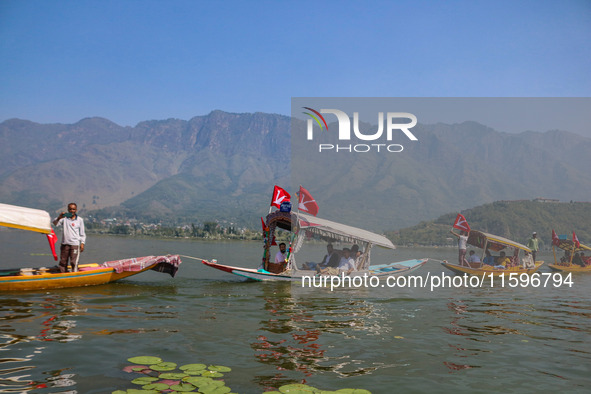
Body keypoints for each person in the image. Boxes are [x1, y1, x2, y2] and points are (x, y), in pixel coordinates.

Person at [52, 203, 86, 273]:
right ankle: (63, 276)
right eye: (70, 209)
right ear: (68, 209)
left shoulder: (80, 220)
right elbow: (55, 223)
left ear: (76, 210)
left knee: (74, 262)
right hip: (65, 244)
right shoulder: (64, 219)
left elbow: (82, 233)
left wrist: (82, 243)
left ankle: (75, 276)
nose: (72, 211)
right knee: (63, 262)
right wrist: (59, 217)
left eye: (73, 209)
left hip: (75, 244)